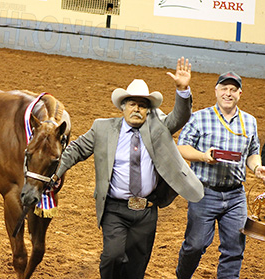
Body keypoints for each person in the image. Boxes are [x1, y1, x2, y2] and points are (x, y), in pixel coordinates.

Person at [54, 57, 204, 279]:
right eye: (132, 104)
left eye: (142, 105)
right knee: (112, 256)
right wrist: (57, 171)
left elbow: (180, 117)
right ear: (122, 107)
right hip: (115, 208)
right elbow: (76, 149)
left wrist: (182, 90)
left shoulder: (158, 128)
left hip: (146, 210)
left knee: (136, 268)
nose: (137, 109)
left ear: (148, 111)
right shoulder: (102, 128)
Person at [175, 71, 265, 279]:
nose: (228, 93)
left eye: (233, 90)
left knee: (234, 250)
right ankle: (182, 276)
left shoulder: (249, 121)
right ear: (216, 90)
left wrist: (257, 166)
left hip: (235, 195)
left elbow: (252, 153)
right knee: (194, 246)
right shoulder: (199, 117)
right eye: (224, 88)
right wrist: (203, 156)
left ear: (239, 93)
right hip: (204, 193)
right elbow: (181, 148)